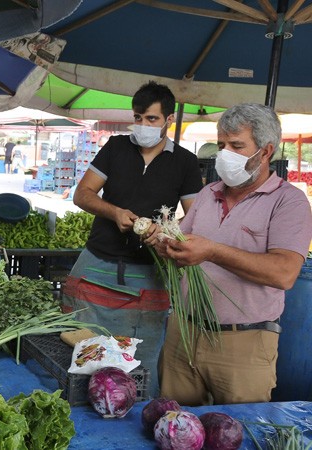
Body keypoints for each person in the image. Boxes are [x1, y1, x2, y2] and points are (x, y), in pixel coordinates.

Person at [156, 103, 312, 405]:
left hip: (244, 343)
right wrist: (167, 246)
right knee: (174, 422)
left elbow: (284, 273)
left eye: (236, 146)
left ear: (266, 152)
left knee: (238, 427)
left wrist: (212, 251)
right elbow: (183, 243)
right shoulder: (208, 193)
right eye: (221, 145)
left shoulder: (289, 202)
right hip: (184, 333)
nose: (224, 154)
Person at [61, 81, 203, 398]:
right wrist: (114, 212)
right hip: (96, 264)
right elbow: (82, 194)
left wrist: (165, 231)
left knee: (140, 363)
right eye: (138, 118)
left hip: (148, 273)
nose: (142, 125)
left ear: (168, 120)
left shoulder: (185, 162)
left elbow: (196, 216)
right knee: (83, 350)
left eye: (151, 119)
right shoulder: (115, 148)